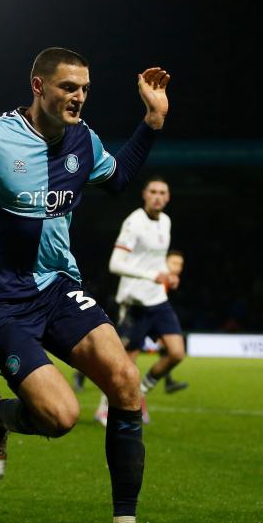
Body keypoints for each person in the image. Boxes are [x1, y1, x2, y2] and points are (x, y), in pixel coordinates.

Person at [0, 47, 172, 523]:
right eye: (68, 88)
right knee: (60, 417)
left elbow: (116, 181)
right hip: (1, 300)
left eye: (85, 89)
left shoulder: (83, 139)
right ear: (38, 86)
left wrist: (152, 121)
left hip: (57, 286)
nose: (78, 98)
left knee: (123, 382)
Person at [84, 179, 189, 427]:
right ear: (144, 195)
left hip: (158, 299)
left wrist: (167, 274)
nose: (157, 197)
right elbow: (115, 264)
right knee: (126, 365)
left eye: (163, 192)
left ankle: (138, 394)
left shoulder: (166, 221)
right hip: (134, 301)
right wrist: (153, 275)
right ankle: (104, 408)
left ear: (168, 197)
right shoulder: (134, 223)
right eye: (153, 192)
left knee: (176, 352)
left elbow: (158, 260)